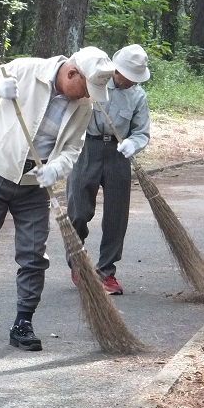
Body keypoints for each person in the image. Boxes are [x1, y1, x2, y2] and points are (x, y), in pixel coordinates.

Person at [0, 47, 115, 352]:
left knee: (33, 256)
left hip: (34, 186)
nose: (88, 96)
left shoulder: (83, 105)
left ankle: (23, 322)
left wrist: (57, 169)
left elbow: (73, 149)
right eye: (87, 88)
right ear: (71, 73)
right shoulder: (26, 70)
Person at [65, 44, 151, 296]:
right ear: (117, 70)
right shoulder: (94, 83)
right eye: (128, 76)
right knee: (78, 210)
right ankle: (78, 265)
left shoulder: (138, 96)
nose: (131, 82)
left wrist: (132, 144)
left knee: (116, 216)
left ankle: (107, 272)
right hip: (86, 148)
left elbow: (141, 131)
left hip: (118, 154)